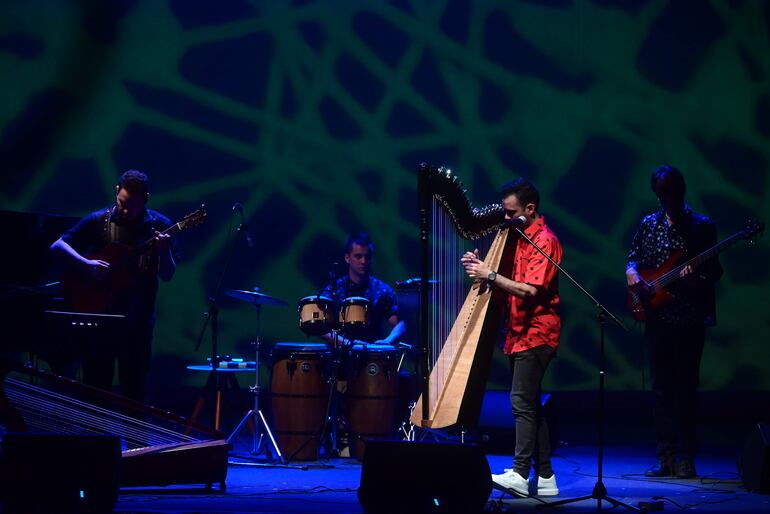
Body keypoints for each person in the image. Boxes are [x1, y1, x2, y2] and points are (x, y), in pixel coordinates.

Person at [462, 178, 561, 497]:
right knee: (530, 403)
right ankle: (545, 478)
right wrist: (479, 266)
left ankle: (520, 473)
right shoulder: (516, 238)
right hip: (518, 332)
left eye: (510, 213)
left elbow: (530, 290)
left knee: (520, 401)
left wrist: (489, 275)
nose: (504, 219)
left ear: (530, 209)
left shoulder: (543, 241)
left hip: (537, 331)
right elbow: (505, 282)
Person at [626, 165, 722, 479]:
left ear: (680, 191)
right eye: (660, 194)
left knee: (686, 389)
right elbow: (632, 257)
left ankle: (686, 456)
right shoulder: (648, 225)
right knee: (660, 390)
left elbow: (714, 273)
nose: (665, 200)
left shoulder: (701, 226)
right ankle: (665, 456)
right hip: (656, 316)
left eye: (670, 193)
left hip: (688, 318)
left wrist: (695, 281)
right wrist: (633, 275)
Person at [50, 169, 178, 402]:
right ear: (117, 192)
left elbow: (168, 275)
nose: (127, 210)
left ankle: (137, 438)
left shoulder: (160, 226)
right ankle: (93, 437)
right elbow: (57, 245)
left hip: (138, 321)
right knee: (95, 387)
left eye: (133, 206)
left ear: (146, 199)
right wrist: (86, 264)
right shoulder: (99, 220)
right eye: (122, 203)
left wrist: (165, 250)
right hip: (100, 319)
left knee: (135, 390)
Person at [321, 231, 405, 346]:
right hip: (339, 355)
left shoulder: (382, 290)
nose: (363, 261)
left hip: (373, 358)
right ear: (347, 258)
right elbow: (321, 326)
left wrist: (387, 341)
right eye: (358, 256)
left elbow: (399, 324)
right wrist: (348, 344)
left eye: (368, 257)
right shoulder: (334, 289)